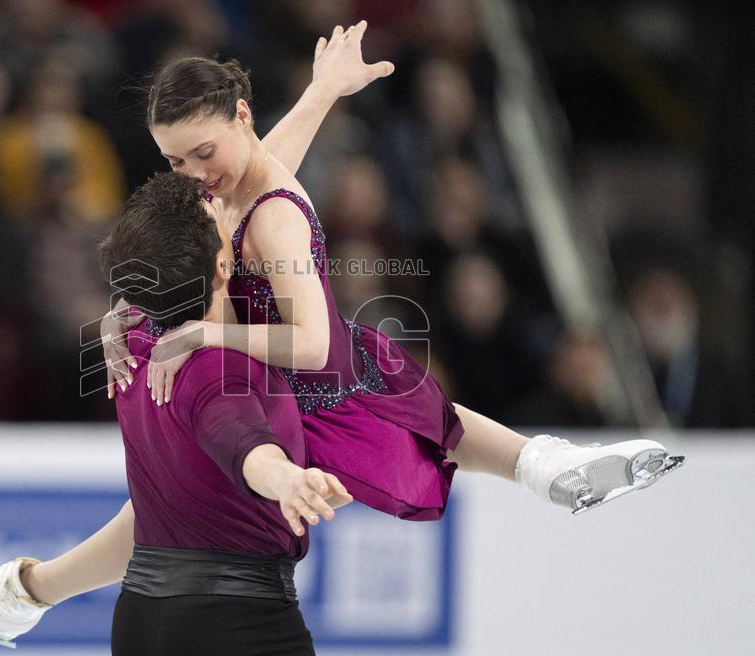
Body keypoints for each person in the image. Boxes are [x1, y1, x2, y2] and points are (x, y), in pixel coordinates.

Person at [102, 21, 682, 519]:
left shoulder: (275, 218)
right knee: (441, 429)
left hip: (310, 389)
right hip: (272, 376)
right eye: (175, 161)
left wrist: (204, 333)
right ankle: (543, 465)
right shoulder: (234, 176)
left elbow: (310, 344)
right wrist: (124, 311)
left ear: (243, 116)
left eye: (203, 152)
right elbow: (256, 167)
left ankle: (542, 464)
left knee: (170, 511)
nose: (194, 173)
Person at [0, 174, 354, 654]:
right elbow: (241, 442)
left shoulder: (135, 342)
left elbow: (260, 176)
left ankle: (23, 591)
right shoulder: (219, 372)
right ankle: (25, 591)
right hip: (235, 627)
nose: (233, 212)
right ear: (222, 262)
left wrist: (320, 96)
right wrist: (285, 480)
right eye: (219, 218)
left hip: (143, 618)